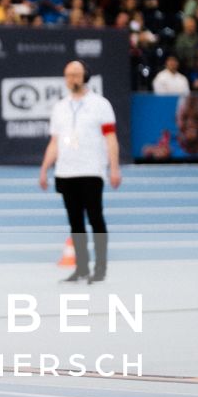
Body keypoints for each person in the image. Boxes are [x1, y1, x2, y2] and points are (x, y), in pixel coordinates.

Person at [38, 60, 121, 283]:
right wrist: (45, 169)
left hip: (91, 169)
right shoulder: (60, 107)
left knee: (95, 218)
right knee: (75, 221)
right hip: (66, 171)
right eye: (68, 75)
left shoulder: (100, 104)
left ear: (86, 76)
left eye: (75, 74)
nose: (71, 79)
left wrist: (114, 167)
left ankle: (101, 267)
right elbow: (54, 142)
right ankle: (82, 267)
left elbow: (110, 138)